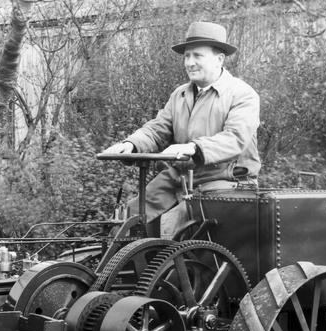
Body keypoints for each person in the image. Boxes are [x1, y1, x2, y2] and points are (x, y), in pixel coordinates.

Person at [102, 21, 261, 238]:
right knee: (128, 216)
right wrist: (131, 143)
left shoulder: (242, 95)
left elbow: (234, 139)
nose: (190, 62)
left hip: (226, 182)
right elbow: (158, 128)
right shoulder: (180, 94)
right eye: (186, 56)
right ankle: (120, 267)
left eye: (197, 56)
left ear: (219, 59)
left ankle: (172, 270)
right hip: (181, 177)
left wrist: (193, 148)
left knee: (175, 223)